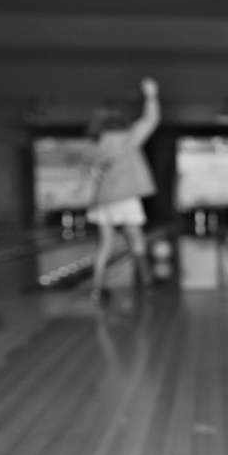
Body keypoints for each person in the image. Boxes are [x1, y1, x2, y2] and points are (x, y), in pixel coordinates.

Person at [85, 77, 161, 302]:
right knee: (137, 240)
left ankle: (97, 289)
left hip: (102, 200)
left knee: (105, 245)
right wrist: (151, 95)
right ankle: (147, 284)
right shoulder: (128, 138)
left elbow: (90, 168)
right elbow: (151, 119)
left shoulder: (95, 144)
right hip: (125, 198)